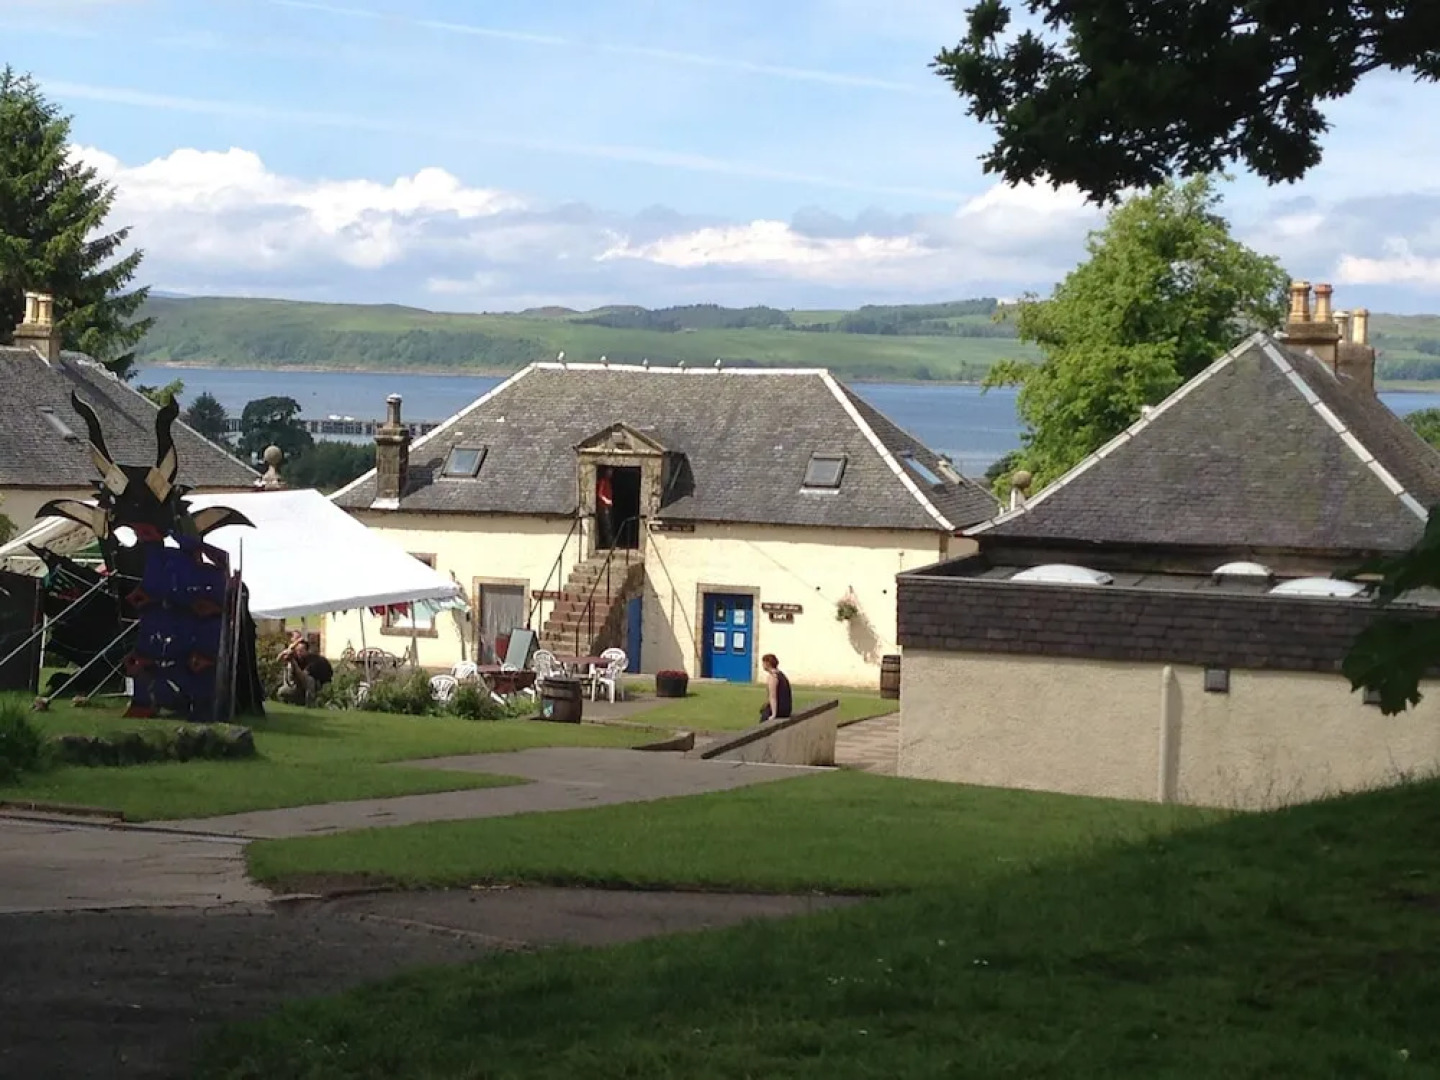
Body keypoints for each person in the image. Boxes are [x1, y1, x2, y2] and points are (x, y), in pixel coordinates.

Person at [278, 634, 334, 707]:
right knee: (281, 691)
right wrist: (287, 651)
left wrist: (294, 663)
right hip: (303, 685)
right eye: (297, 650)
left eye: (301, 651)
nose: (299, 653)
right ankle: (294, 703)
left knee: (310, 680)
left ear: (307, 651)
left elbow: (303, 677)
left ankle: (310, 704)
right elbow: (278, 661)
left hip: (320, 684)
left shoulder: (313, 660)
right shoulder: (297, 657)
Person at [759, 653, 792, 723]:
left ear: (767, 663)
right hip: (786, 709)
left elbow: (773, 696)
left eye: (763, 663)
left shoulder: (773, 677)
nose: (762, 665)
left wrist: (774, 714)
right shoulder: (781, 674)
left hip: (780, 710)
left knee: (764, 717)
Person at [596, 466, 615, 549]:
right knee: (607, 525)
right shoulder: (603, 481)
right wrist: (606, 500)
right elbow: (600, 494)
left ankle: (610, 544)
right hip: (604, 507)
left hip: (608, 507)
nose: (611, 473)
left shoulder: (608, 482)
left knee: (609, 524)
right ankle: (609, 545)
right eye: (610, 471)